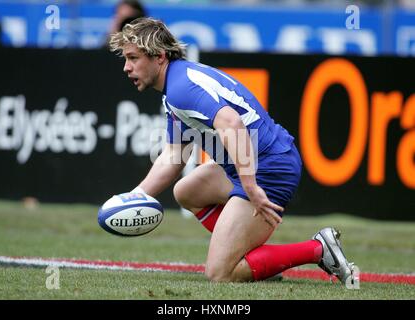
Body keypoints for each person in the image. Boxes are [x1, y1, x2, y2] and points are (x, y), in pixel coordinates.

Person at [109, 17, 357, 284]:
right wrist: (134, 197)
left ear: (158, 56)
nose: (126, 67)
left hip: (269, 168)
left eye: (133, 58)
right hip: (254, 163)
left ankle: (319, 249)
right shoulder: (176, 85)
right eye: (125, 59)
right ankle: (254, 261)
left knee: (220, 274)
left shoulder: (181, 88)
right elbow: (174, 156)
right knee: (186, 191)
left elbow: (232, 124)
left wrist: (250, 186)